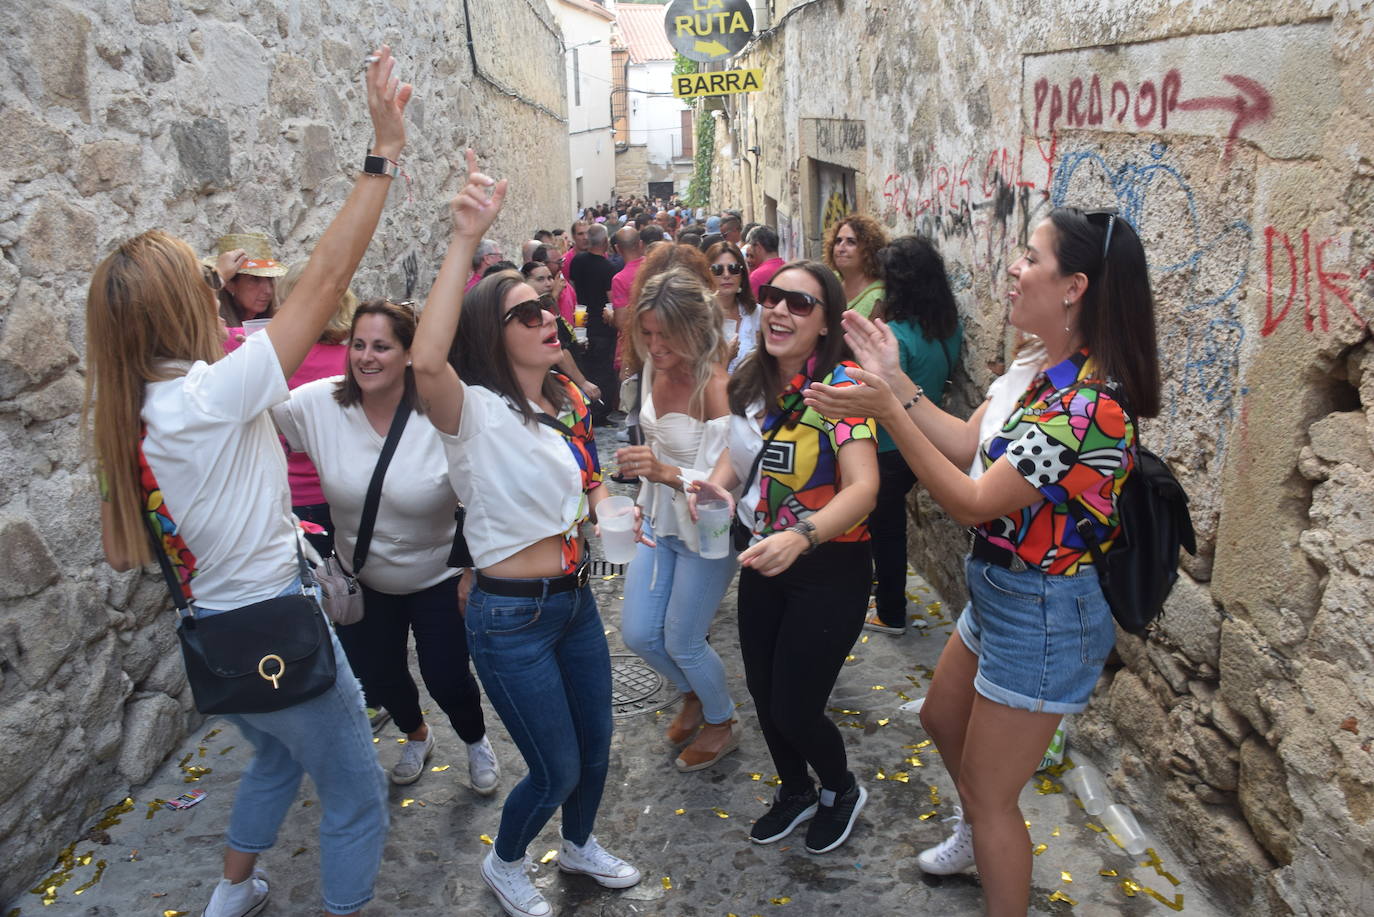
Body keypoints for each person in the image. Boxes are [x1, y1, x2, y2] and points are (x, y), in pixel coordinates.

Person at [86, 46, 410, 917]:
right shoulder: (206, 396)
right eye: (201, 275)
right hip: (278, 628)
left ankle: (233, 893)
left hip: (218, 641)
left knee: (272, 757)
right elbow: (329, 281)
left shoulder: (139, 411)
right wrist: (381, 154)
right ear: (180, 305)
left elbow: (130, 548)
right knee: (354, 798)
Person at [803, 208, 1159, 917]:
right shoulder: (1037, 368)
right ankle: (977, 832)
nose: (1014, 268)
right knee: (940, 715)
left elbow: (971, 501)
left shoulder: (1089, 406)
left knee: (994, 794)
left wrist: (886, 409)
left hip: (1044, 608)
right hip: (997, 590)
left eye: (1031, 257)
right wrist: (897, 382)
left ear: (1074, 287)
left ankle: (992, 858)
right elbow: (969, 444)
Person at [411, 151, 642, 917]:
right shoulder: (470, 412)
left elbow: (584, 484)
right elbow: (425, 357)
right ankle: (507, 862)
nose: (550, 318)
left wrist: (613, 509)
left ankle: (578, 847)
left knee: (597, 745)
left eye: (548, 308)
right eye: (527, 313)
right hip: (510, 618)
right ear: (491, 329)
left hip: (574, 599)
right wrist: (462, 240)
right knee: (555, 766)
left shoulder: (562, 402)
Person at [271, 299, 501, 796]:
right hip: (364, 579)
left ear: (408, 355)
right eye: (358, 345)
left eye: (381, 346)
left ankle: (475, 738)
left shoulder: (438, 411)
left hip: (437, 575)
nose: (366, 357)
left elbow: (481, 493)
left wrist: (472, 571)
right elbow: (252, 402)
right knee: (380, 678)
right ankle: (416, 734)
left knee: (446, 677)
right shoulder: (316, 404)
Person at [689, 261, 879, 855]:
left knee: (797, 707)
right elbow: (737, 457)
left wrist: (804, 535)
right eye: (772, 297)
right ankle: (795, 788)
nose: (779, 310)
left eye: (800, 304)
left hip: (828, 568)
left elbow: (863, 488)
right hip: (762, 561)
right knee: (765, 692)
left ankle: (841, 789)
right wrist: (717, 489)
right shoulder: (750, 379)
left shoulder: (842, 388)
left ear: (826, 325)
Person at [616, 268, 740, 771]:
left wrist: (666, 474)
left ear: (693, 328)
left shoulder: (714, 384)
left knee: (683, 639)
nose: (654, 345)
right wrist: (645, 501)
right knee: (639, 634)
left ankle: (721, 721)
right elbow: (655, 445)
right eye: (646, 333)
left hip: (706, 533)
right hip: (662, 523)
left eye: (665, 334)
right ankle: (695, 692)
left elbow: (724, 479)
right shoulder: (651, 369)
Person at [861, 236, 963, 635]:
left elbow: (873, 393)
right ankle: (885, 596)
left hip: (889, 444)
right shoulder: (946, 329)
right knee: (887, 526)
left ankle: (890, 612)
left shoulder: (895, 338)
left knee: (885, 529)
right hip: (928, 441)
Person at [522, 260, 601, 402]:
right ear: (525, 282)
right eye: (540, 279)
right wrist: (582, 382)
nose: (548, 283)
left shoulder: (549, 304)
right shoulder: (534, 312)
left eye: (550, 278)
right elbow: (560, 348)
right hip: (555, 384)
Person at [569, 222, 619, 422]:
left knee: (586, 367)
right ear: (606, 241)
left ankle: (586, 408)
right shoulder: (608, 267)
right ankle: (600, 413)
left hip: (582, 320)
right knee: (604, 370)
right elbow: (611, 299)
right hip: (602, 324)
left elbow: (573, 287)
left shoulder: (577, 261)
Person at [206, 232, 286, 327]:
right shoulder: (214, 328)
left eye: (270, 279)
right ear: (230, 284)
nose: (268, 290)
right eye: (255, 279)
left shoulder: (277, 324)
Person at [703, 241, 758, 375]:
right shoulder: (699, 318)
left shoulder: (756, 313)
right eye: (717, 269)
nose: (726, 275)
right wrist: (726, 358)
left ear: (742, 274)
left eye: (733, 268)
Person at [824, 214, 888, 318]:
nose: (841, 248)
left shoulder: (877, 297)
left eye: (851, 242)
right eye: (838, 241)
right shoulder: (831, 280)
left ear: (869, 249)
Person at [747, 225, 785, 290]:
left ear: (758, 247)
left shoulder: (756, 277)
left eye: (751, 246)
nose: (748, 259)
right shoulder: (787, 268)